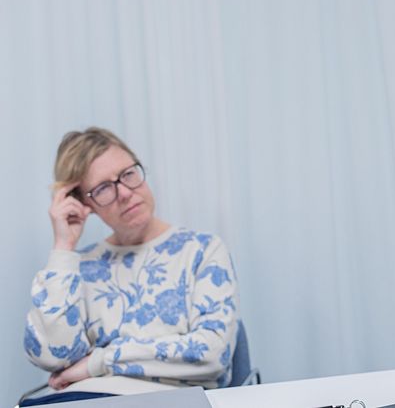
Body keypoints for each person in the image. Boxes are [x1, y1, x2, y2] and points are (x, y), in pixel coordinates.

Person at [23, 127, 239, 402]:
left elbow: (212, 353)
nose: (125, 192)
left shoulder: (202, 250)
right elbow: (52, 356)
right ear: (83, 203)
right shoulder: (81, 266)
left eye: (128, 174)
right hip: (83, 399)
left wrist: (97, 362)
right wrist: (64, 248)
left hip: (171, 400)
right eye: (103, 189)